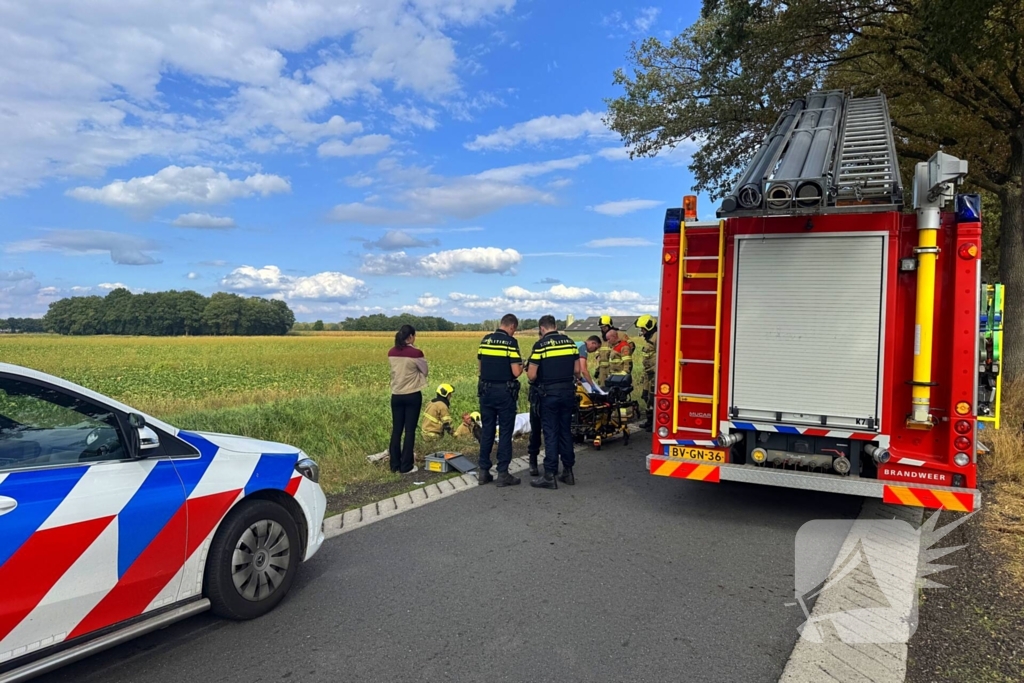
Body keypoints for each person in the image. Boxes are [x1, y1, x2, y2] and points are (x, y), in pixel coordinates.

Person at [527, 315, 582, 489]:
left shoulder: (540, 345)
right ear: (555, 326)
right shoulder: (570, 343)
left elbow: (532, 375)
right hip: (567, 393)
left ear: (542, 328)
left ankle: (550, 474)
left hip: (548, 395)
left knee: (550, 432)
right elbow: (577, 370)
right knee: (565, 431)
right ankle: (568, 471)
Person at [476, 313, 523, 487]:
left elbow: (480, 368)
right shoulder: (510, 343)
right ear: (512, 327)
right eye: (514, 330)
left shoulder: (485, 340)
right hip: (504, 393)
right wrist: (522, 365)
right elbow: (516, 372)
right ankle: (503, 473)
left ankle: (483, 472)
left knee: (487, 429)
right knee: (505, 431)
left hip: (486, 391)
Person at [388, 324, 427, 474]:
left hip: (396, 395)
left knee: (396, 430)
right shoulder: (416, 352)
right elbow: (425, 371)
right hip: (412, 394)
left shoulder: (391, 352)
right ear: (410, 336)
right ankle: (406, 466)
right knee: (409, 431)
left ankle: (394, 465)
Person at [635, 315, 658, 431]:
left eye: (643, 329)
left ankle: (654, 423)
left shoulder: (657, 337)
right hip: (648, 375)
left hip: (655, 375)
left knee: (653, 399)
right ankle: (649, 421)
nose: (642, 332)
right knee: (646, 397)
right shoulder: (650, 338)